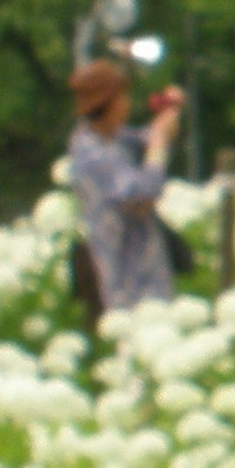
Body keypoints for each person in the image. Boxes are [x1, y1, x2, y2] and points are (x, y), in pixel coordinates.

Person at [66, 61, 187, 319]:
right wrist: (157, 147)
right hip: (126, 283)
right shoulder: (91, 153)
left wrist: (170, 110)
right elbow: (142, 193)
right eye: (121, 96)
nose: (127, 103)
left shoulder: (113, 137)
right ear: (106, 104)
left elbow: (157, 136)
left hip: (151, 274)